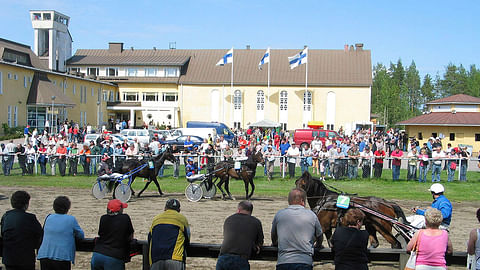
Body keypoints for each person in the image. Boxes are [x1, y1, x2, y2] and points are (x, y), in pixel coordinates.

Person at [271, 188, 323, 270]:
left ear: (289, 201)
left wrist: (275, 243)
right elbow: (319, 235)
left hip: (284, 261)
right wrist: (318, 245)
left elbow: (273, 236)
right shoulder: (312, 215)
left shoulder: (279, 214)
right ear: (303, 201)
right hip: (305, 261)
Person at [37, 196, 85, 270]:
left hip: (45, 255)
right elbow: (81, 235)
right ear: (68, 208)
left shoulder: (49, 217)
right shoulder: (71, 219)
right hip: (62, 257)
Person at [1, 190, 43, 270]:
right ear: (26, 205)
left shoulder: (6, 216)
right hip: (26, 259)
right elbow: (39, 235)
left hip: (9, 258)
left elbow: (3, 233)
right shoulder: (30, 218)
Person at [216, 201, 264, 270]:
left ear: (238, 210)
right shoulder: (256, 222)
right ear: (251, 212)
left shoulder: (229, 219)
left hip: (223, 257)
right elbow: (260, 242)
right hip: (241, 259)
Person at [91, 199, 134, 270]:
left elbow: (100, 234)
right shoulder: (125, 218)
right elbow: (130, 236)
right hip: (114, 256)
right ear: (119, 210)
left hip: (97, 254)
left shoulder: (103, 218)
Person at [148, 199, 190, 270]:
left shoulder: (156, 219)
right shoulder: (182, 219)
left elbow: (149, 238)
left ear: (165, 208)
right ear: (179, 210)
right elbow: (187, 239)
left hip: (156, 257)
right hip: (175, 258)